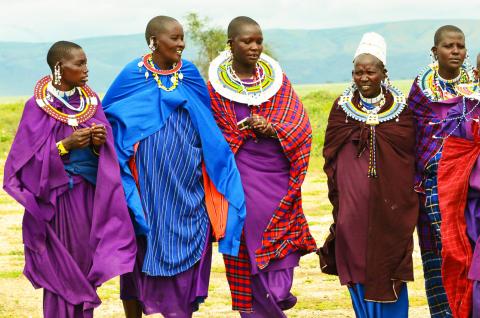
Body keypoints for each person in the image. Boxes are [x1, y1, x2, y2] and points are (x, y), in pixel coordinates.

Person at [102, 16, 246, 318]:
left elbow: (205, 122)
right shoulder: (132, 74)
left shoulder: (190, 74)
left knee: (191, 239)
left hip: (187, 179)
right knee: (141, 245)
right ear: (153, 41)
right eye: (174, 38)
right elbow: (108, 116)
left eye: (182, 39)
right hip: (146, 185)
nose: (181, 44)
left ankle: (180, 313)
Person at [3, 41, 137, 317]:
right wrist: (66, 146)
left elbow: (107, 153)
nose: (86, 69)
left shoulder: (91, 103)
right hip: (56, 200)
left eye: (86, 62)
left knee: (84, 263)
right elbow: (23, 163)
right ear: (59, 67)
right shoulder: (36, 107)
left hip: (88, 198)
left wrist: (100, 144)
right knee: (62, 269)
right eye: (79, 64)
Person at [208, 16, 317, 317]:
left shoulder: (278, 83)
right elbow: (211, 133)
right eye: (247, 41)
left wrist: (272, 128)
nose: (254, 47)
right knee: (247, 239)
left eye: (258, 41)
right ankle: (259, 308)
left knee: (280, 238)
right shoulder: (214, 89)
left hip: (277, 175)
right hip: (238, 175)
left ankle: (275, 298)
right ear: (230, 45)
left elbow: (300, 125)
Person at [319, 32, 418, 317]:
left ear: (384, 73)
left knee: (388, 255)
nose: (363, 77)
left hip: (391, 204)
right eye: (358, 72)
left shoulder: (401, 112)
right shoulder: (341, 109)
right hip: (351, 205)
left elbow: (408, 154)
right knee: (355, 255)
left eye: (370, 71)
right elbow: (330, 152)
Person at [408, 25, 480, 318]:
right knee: (441, 252)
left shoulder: (474, 91)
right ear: (434, 51)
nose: (455, 51)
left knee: (467, 248)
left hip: (469, 188)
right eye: (448, 46)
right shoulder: (421, 91)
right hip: (433, 190)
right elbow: (412, 137)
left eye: (460, 46)